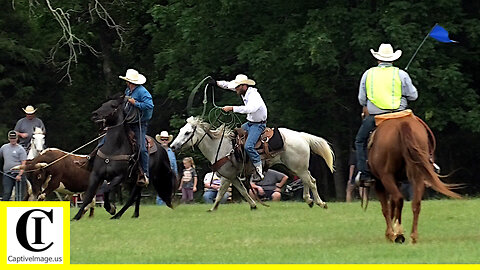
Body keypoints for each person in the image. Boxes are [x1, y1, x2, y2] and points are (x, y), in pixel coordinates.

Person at [355, 43, 418, 186]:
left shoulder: (368, 74)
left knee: (360, 141)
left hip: (377, 118)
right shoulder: (401, 74)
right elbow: (413, 96)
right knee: (424, 133)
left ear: (378, 59)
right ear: (393, 59)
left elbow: (361, 99)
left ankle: (364, 174)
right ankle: (429, 163)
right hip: (402, 115)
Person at [209, 74, 267, 181]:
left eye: (237, 87)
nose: (235, 88)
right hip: (250, 123)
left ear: (244, 86)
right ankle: (240, 165)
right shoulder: (241, 89)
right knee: (233, 136)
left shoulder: (254, 96)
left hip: (258, 125)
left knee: (248, 146)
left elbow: (250, 109)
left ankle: (259, 170)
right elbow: (227, 85)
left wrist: (232, 108)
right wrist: (216, 83)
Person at [120, 69, 154, 186]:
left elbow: (150, 105)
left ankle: (145, 173)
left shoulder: (142, 92)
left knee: (141, 147)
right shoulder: (128, 91)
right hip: (128, 121)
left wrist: (136, 104)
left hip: (139, 124)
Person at [1, 131, 27, 201]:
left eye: (14, 138)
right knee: (7, 193)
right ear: (9, 138)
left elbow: (23, 163)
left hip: (18, 174)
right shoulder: (4, 148)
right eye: (11, 138)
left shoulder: (20, 149)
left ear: (17, 138)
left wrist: (20, 175)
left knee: (19, 195)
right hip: (7, 173)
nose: (13, 140)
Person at [155, 131, 179, 205]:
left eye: (166, 139)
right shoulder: (157, 151)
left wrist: (176, 176)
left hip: (170, 175)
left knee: (170, 192)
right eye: (162, 139)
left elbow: (174, 164)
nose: (164, 141)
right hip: (160, 175)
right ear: (160, 140)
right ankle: (159, 207)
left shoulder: (171, 151)